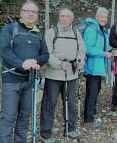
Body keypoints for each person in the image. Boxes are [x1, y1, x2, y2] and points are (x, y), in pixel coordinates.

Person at [0, 1, 49, 143]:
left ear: (37, 16)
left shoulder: (39, 34)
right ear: (21, 13)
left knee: (24, 116)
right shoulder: (9, 29)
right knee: (8, 117)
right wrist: (22, 64)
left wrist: (35, 62)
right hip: (11, 80)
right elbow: (4, 51)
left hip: (30, 81)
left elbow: (45, 54)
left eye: (34, 12)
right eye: (27, 11)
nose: (31, 14)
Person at [40, 8, 86, 142]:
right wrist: (58, 64)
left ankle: (70, 129)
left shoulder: (76, 33)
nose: (65, 19)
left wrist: (80, 60)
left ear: (72, 19)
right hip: (53, 75)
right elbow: (46, 54)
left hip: (71, 74)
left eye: (67, 17)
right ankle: (46, 133)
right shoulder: (51, 33)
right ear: (59, 17)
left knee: (70, 103)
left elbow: (82, 50)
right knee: (49, 104)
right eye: (62, 16)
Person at [83, 7, 114, 129]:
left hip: (99, 67)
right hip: (92, 67)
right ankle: (88, 118)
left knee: (95, 91)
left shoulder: (102, 30)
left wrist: (111, 51)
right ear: (96, 17)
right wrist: (104, 54)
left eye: (105, 17)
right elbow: (88, 49)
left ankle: (92, 113)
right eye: (101, 16)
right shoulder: (91, 29)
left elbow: (104, 47)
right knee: (92, 92)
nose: (103, 19)